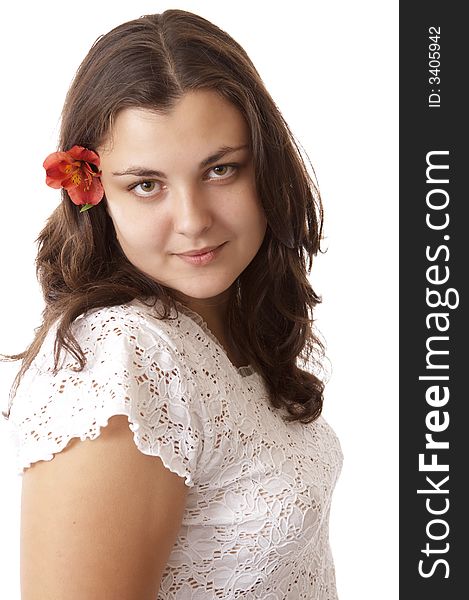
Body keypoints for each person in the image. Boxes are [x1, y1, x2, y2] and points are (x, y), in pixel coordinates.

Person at [2, 9, 343, 599]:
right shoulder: (121, 359)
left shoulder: (229, 328)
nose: (193, 221)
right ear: (94, 193)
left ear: (265, 165)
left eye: (220, 170)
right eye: (146, 184)